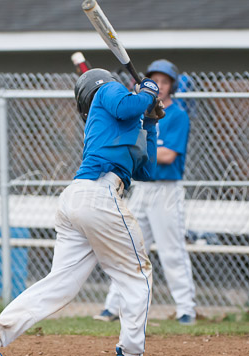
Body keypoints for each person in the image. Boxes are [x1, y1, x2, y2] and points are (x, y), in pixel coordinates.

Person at [0, 68, 165, 356]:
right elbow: (128, 104)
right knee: (137, 274)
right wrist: (148, 91)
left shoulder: (120, 122)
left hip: (80, 200)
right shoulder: (106, 91)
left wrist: (150, 122)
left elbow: (146, 171)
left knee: (61, 284)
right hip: (99, 196)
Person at [94, 59, 197, 325]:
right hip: (141, 190)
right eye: (156, 81)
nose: (160, 86)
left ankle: (186, 309)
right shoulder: (140, 113)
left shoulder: (177, 115)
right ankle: (112, 307)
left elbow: (166, 155)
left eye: (165, 82)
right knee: (127, 247)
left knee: (171, 250)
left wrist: (140, 153)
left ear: (172, 86)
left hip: (166, 191)